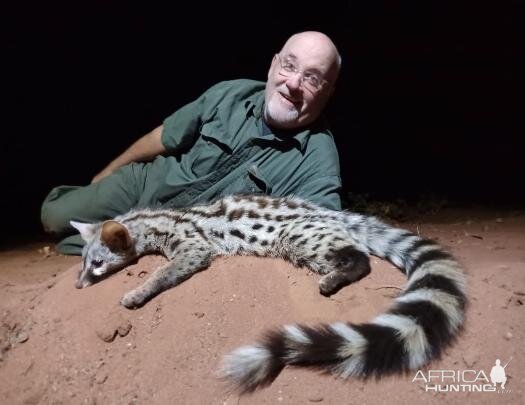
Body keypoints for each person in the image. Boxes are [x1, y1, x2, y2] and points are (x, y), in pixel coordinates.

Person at [41, 31, 343, 255]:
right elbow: (162, 137)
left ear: (328, 94)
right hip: (144, 186)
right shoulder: (230, 94)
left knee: (83, 245)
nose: (293, 83)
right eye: (289, 66)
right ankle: (84, 216)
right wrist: (105, 174)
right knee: (53, 217)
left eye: (313, 79)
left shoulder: (318, 157)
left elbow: (324, 229)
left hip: (175, 233)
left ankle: (88, 239)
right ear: (273, 65)